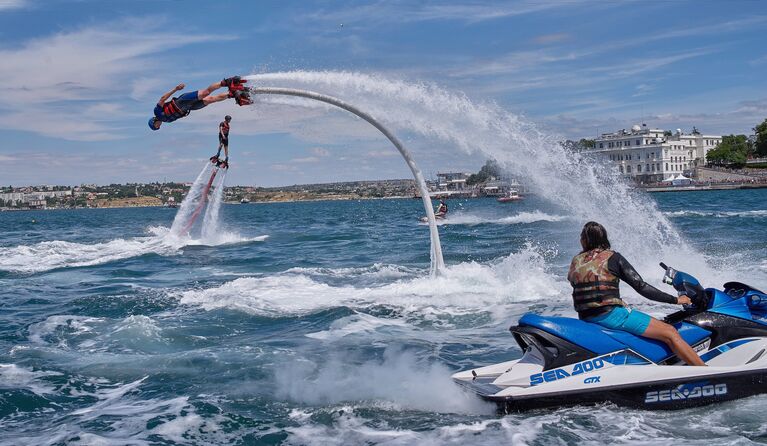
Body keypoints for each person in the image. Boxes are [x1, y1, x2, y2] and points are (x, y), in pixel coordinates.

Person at [567, 221, 705, 366]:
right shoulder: (612, 257)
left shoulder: (576, 261)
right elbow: (641, 286)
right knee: (670, 332)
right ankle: (706, 372)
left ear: (584, 240)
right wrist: (676, 300)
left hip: (586, 317)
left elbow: (584, 288)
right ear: (604, 239)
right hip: (609, 316)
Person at [148, 76, 251, 131]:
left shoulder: (157, 112)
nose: (158, 127)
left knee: (206, 92)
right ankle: (232, 94)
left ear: (154, 122)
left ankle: (226, 82)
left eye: (156, 127)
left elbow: (162, 99)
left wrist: (176, 89)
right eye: (157, 128)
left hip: (182, 101)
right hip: (189, 108)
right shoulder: (167, 121)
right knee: (210, 100)